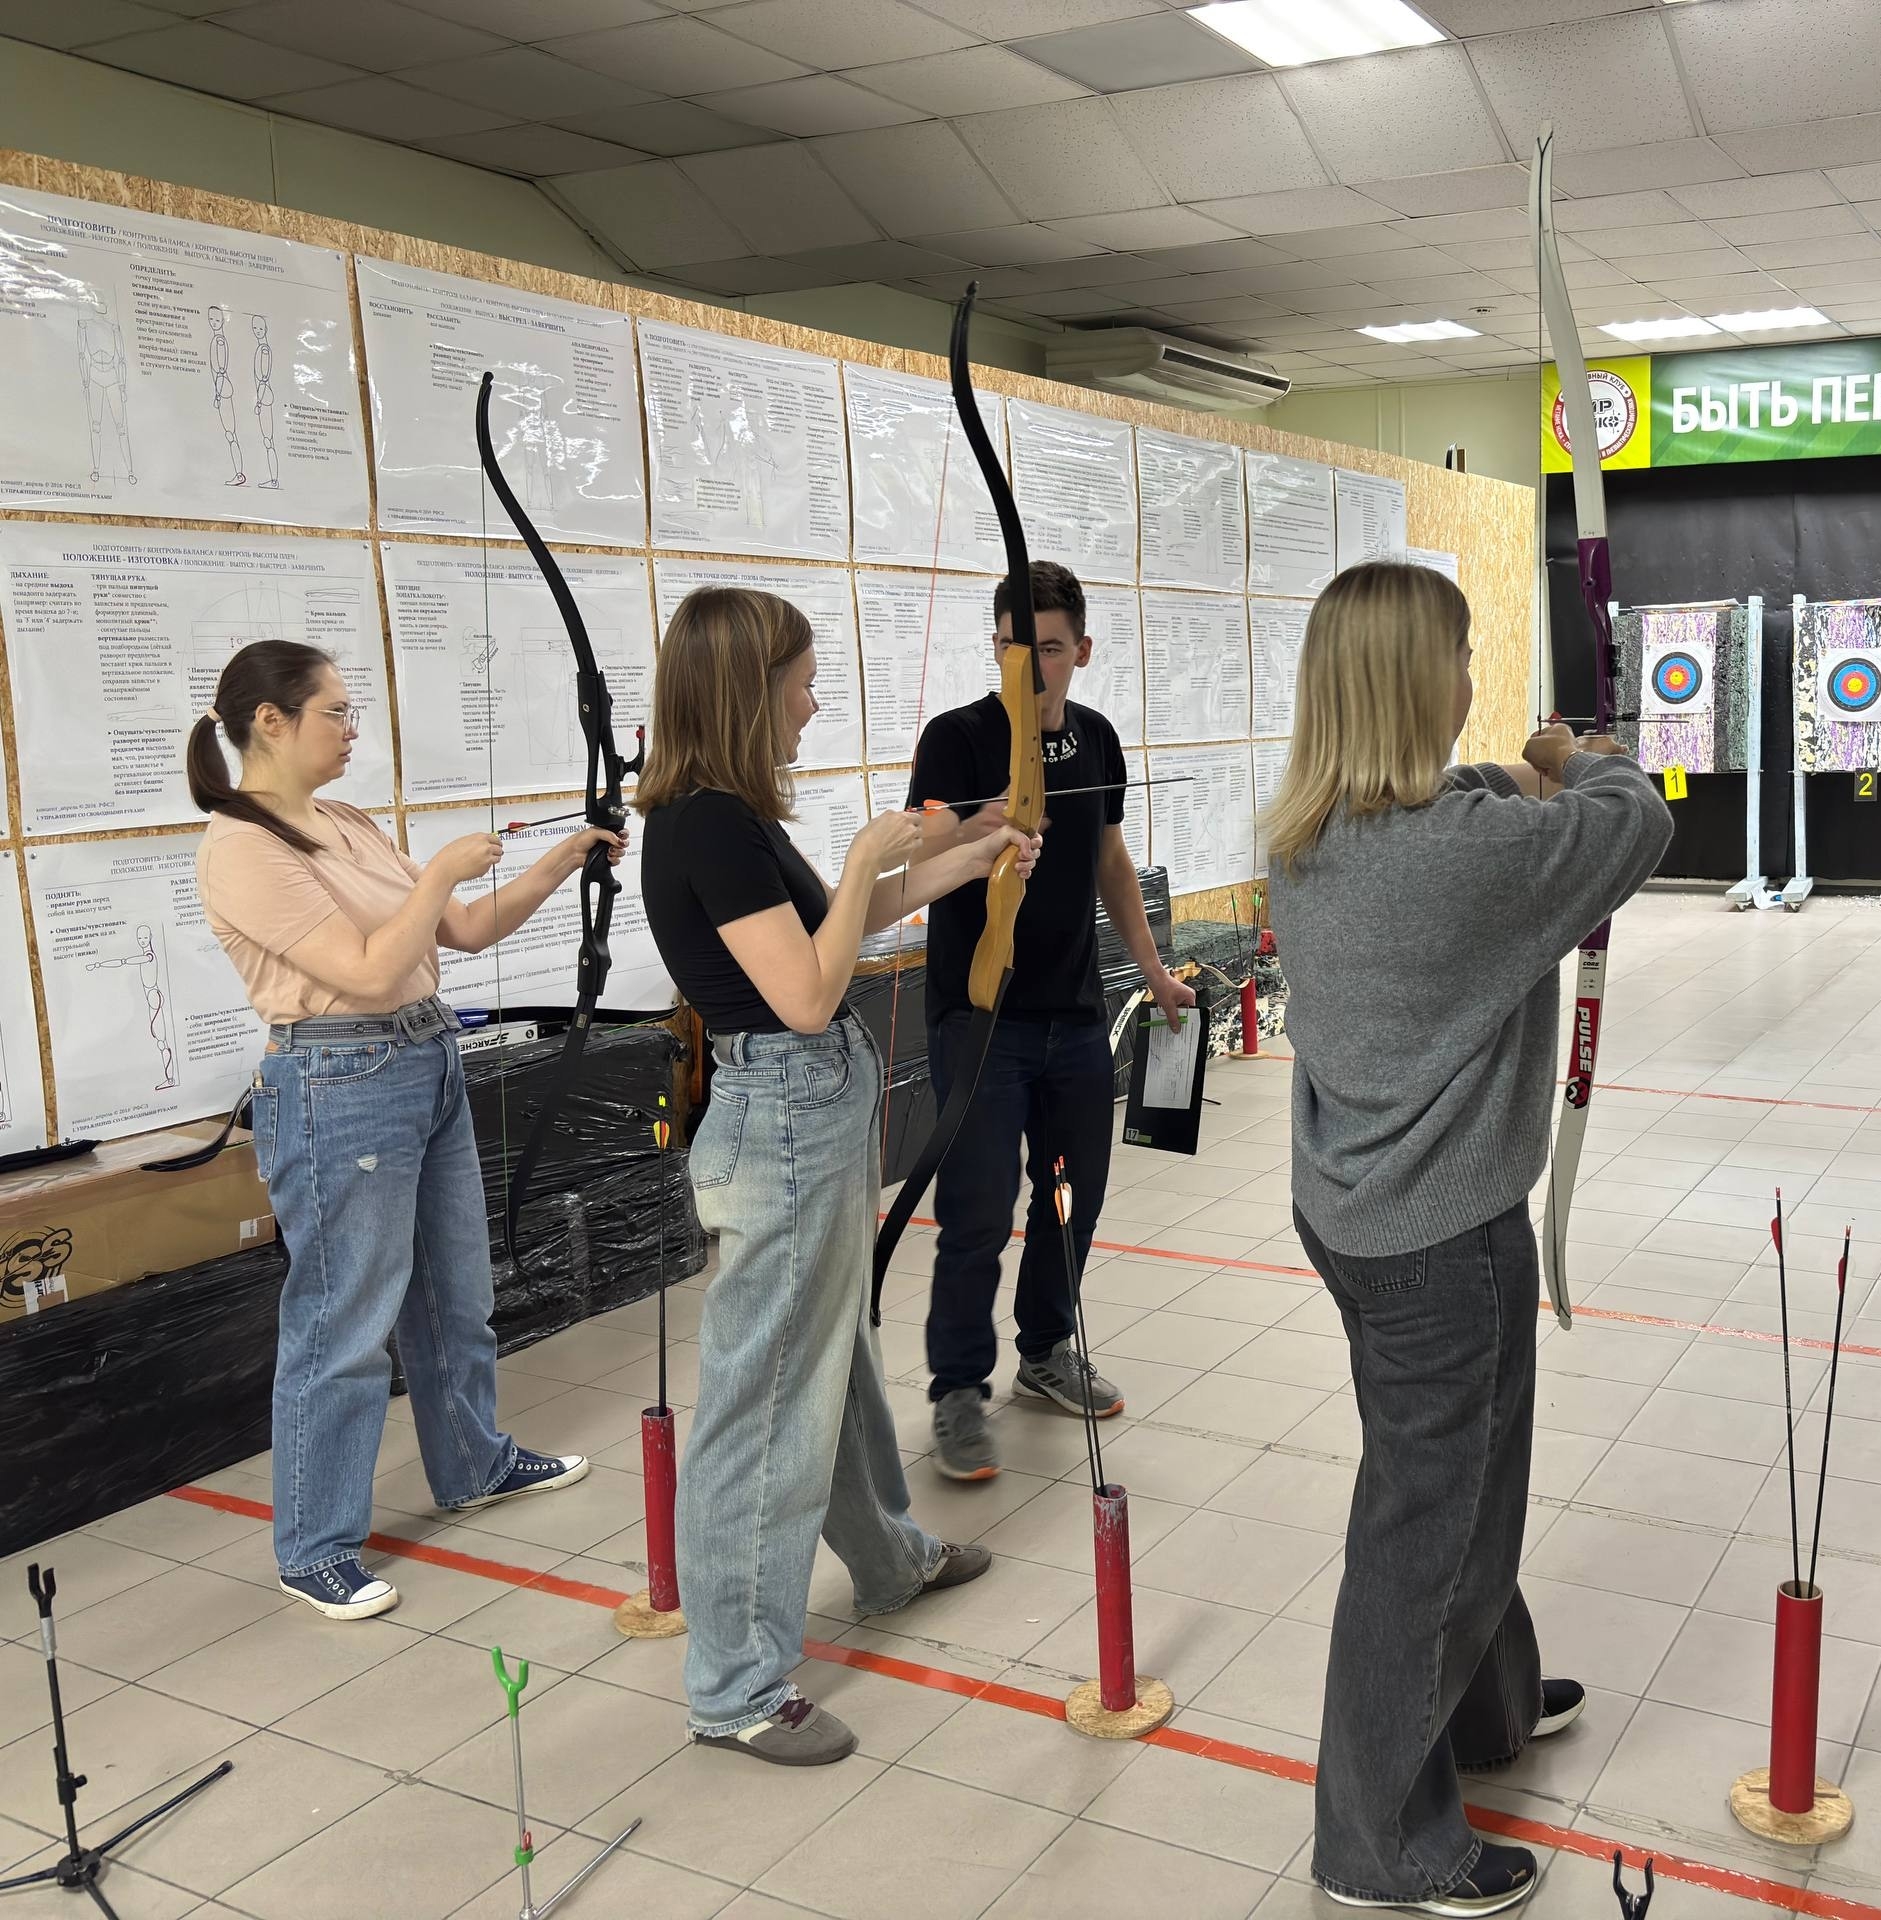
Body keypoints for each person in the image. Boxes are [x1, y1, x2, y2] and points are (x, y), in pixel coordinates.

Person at [1263, 560, 1673, 1916]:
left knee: (1463, 1488)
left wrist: (1519, 767)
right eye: (1457, 656)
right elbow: (1632, 824)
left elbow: (1471, 797)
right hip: (1441, 1238)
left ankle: (1489, 1710)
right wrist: (1585, 758)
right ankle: (1381, 1840)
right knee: (1430, 1532)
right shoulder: (1462, 860)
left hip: (1360, 1217)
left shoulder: (1311, 831)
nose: (1470, 679)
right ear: (1407, 683)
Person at [637, 586, 1032, 1766]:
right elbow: (807, 995)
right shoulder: (704, 825)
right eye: (801, 683)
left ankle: (889, 1558)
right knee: (765, 1407)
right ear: (744, 690)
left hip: (804, 1112)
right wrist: (867, 852)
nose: (812, 704)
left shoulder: (734, 819)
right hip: (782, 1121)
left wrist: (974, 851)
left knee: (833, 1357)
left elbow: (838, 929)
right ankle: (735, 1687)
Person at [190, 642, 603, 1622]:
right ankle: (314, 1545)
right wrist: (442, 871)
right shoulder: (241, 847)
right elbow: (371, 970)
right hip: (339, 1081)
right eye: (334, 711)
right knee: (345, 1319)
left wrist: (562, 861)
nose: (351, 729)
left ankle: (473, 1463)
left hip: (425, 1058)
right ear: (269, 722)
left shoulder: (345, 822)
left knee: (454, 1292)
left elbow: (462, 930)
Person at [904, 561, 1194, 1481]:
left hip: (1074, 1015)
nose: (1031, 671)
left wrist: (1153, 971)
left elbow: (1110, 860)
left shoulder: (1098, 739)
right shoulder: (956, 739)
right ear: (993, 645)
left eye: (1052, 651)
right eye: (1012, 649)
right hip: (980, 1016)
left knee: (1073, 1198)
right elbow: (919, 855)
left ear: (1083, 651)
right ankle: (958, 1388)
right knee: (977, 1211)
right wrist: (984, 824)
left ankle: (1043, 1349)